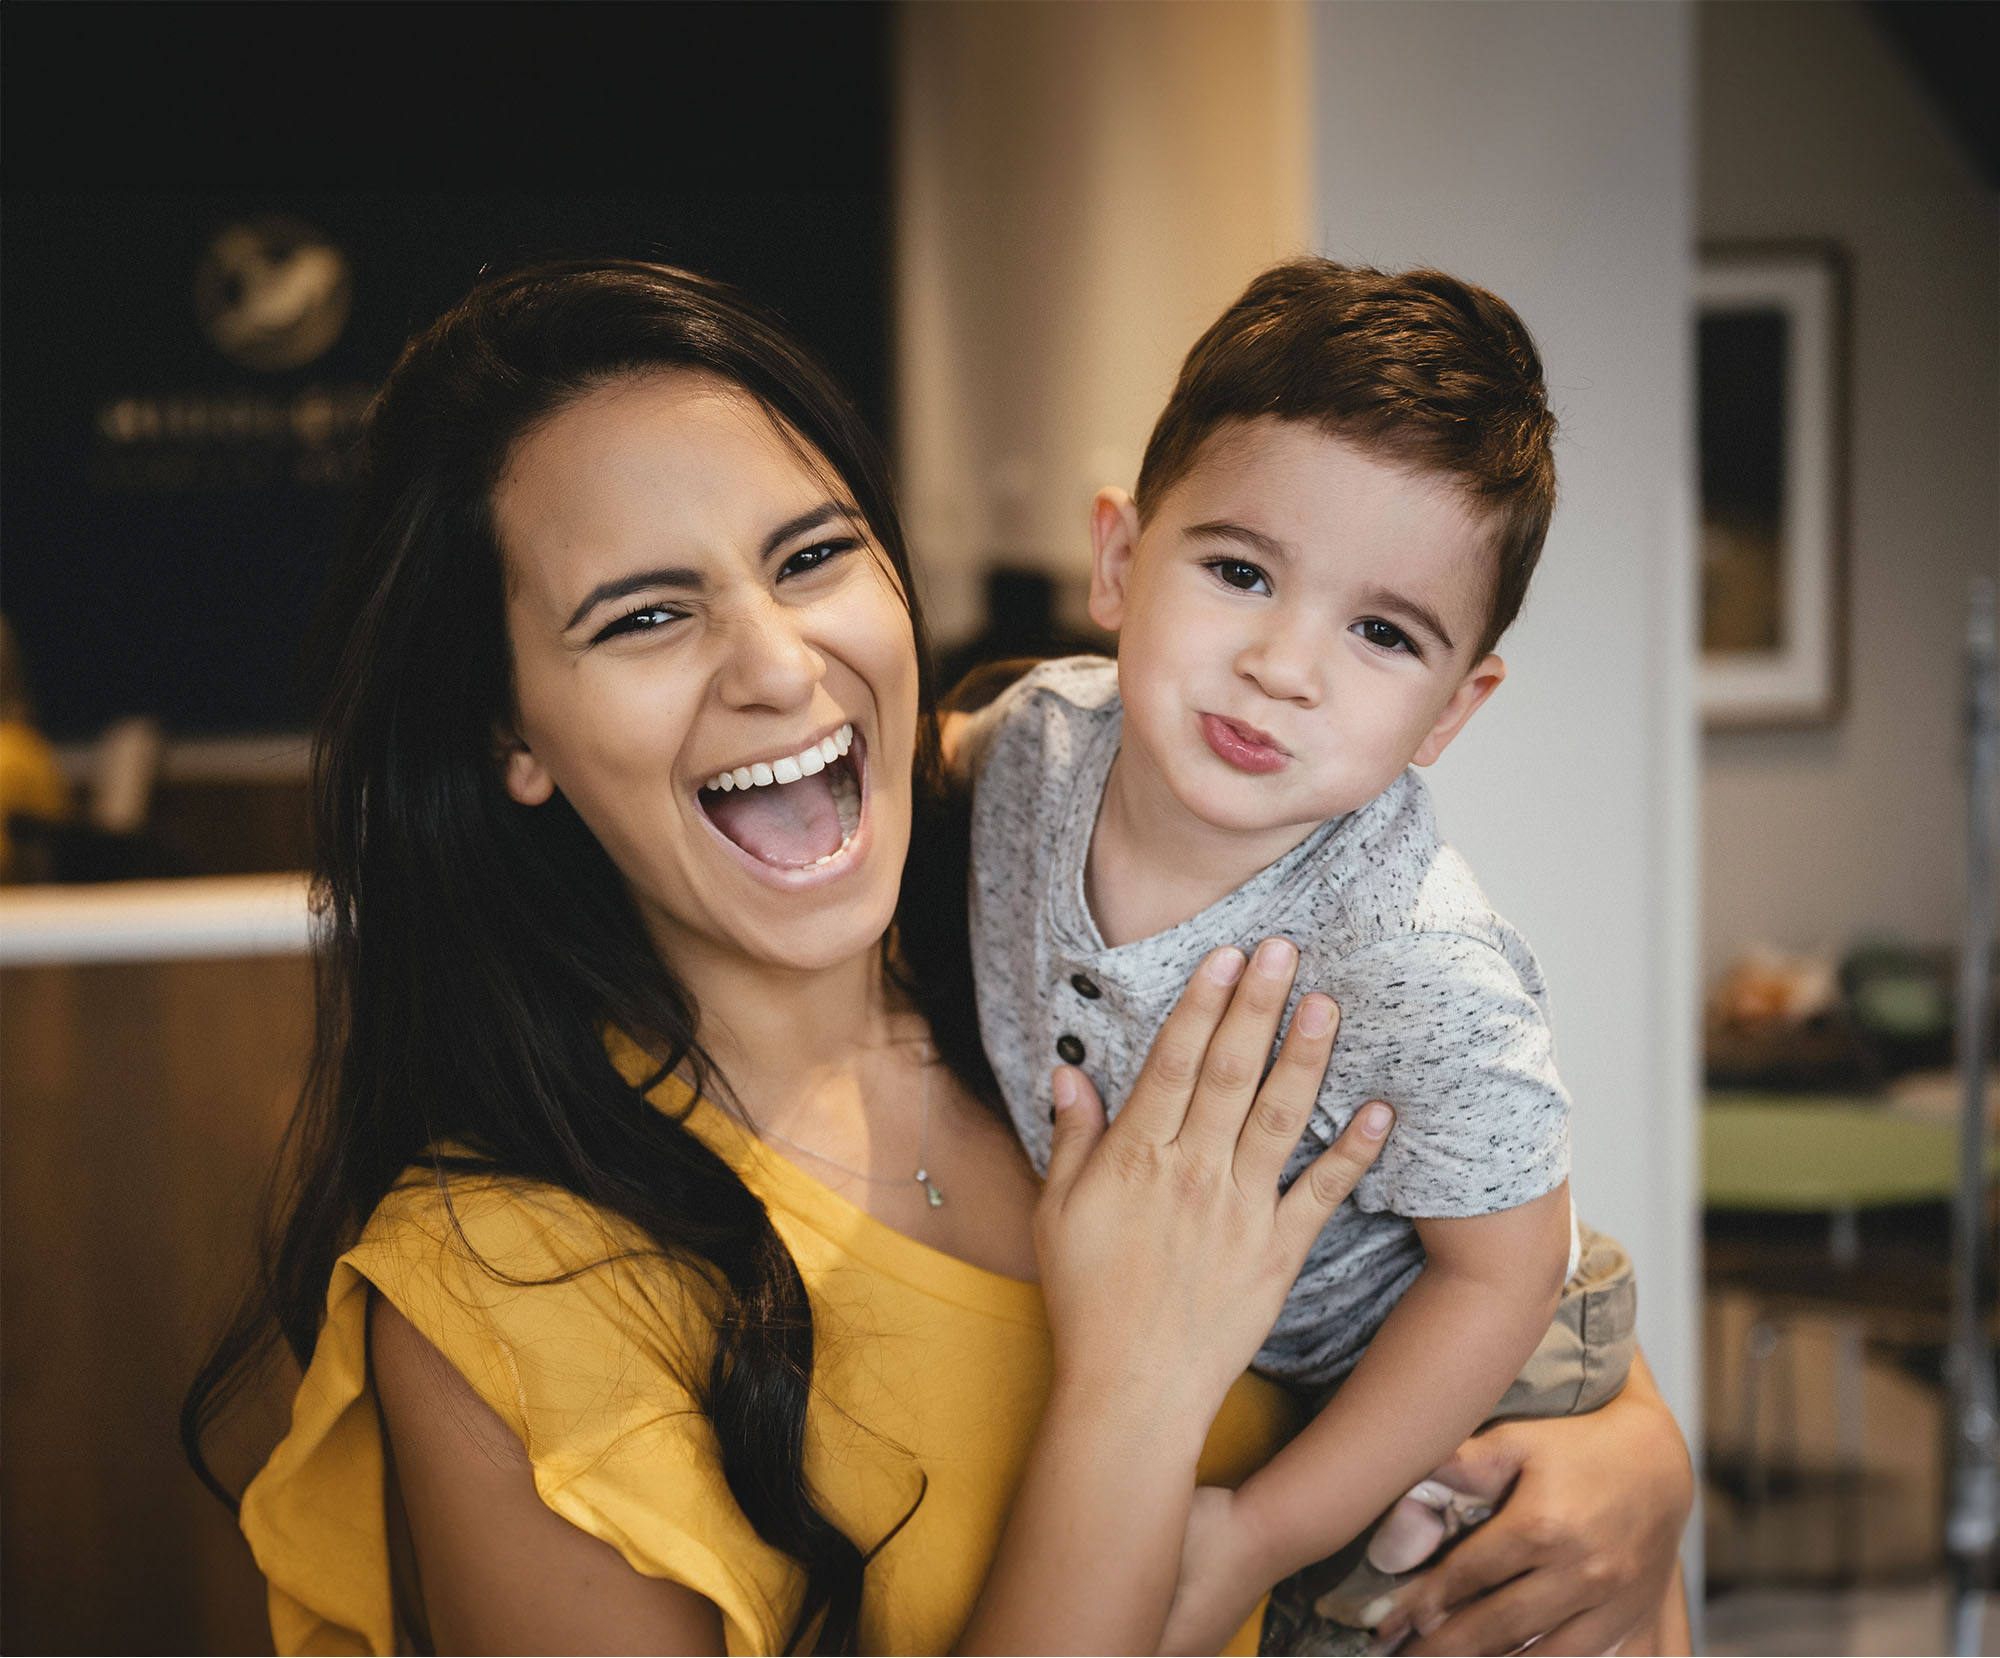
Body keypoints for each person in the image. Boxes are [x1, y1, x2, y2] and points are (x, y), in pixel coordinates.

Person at [182, 259, 1693, 1655]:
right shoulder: (502, 1289)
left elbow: (1500, 1293)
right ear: (508, 729)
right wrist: (1132, 1389)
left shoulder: (1056, 942)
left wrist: (1638, 1462)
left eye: (813, 553)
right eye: (645, 614)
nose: (779, 665)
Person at [953, 258, 1644, 1651]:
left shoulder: (1409, 951)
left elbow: (1506, 1275)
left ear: (1453, 710)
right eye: (1240, 570)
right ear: (1117, 561)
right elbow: (925, 764)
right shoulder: (1031, 744)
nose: (1285, 662)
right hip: (1254, 1359)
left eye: (1382, 632)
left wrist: (1266, 1530)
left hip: (1469, 1360)